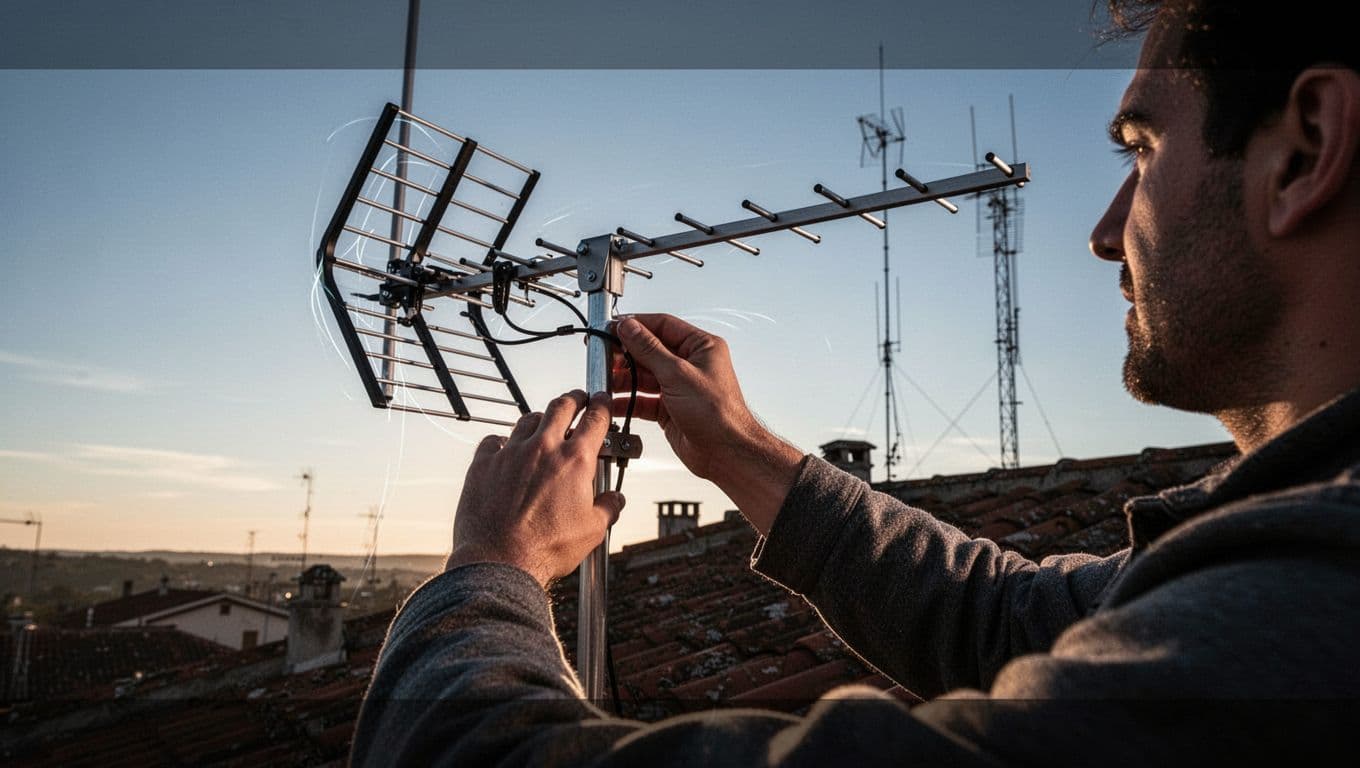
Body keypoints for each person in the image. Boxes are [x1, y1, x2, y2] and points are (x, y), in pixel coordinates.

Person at [351, 2, 1360, 764]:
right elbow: (1002, 622)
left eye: (1141, 150)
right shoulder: (1278, 546)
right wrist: (741, 448)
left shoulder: (1299, 620)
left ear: (1304, 148)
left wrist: (491, 567)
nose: (1104, 234)